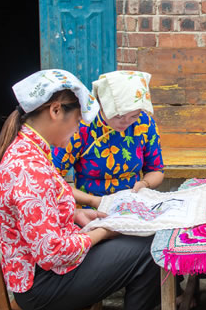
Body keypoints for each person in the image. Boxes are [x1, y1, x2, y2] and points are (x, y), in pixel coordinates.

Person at [0, 69, 163, 310]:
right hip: (43, 287)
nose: (79, 125)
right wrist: (104, 232)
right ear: (56, 111)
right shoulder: (29, 169)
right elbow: (54, 253)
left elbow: (54, 208)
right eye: (78, 117)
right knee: (148, 249)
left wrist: (84, 215)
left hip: (47, 271)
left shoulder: (30, 151)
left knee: (145, 237)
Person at [53, 71, 164, 209]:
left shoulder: (144, 124)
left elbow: (156, 170)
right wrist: (94, 201)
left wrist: (144, 184)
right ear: (102, 105)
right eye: (118, 116)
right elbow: (52, 179)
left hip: (131, 206)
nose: (126, 122)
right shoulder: (82, 127)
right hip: (89, 209)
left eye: (134, 116)